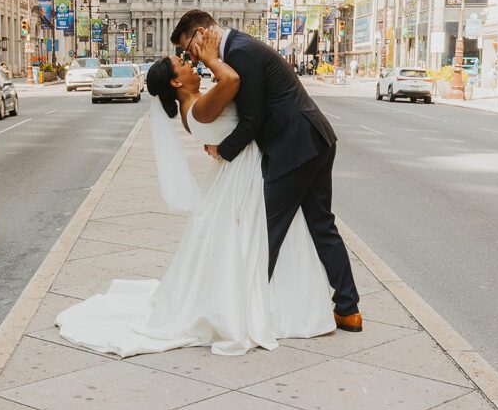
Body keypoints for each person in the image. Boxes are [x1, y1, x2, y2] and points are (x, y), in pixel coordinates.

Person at [56, 27, 337, 357]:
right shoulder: (198, 107)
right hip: (240, 175)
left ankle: (274, 300)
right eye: (183, 63)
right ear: (176, 82)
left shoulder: (196, 104)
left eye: (188, 58)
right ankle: (260, 304)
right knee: (254, 242)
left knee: (259, 241)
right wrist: (209, 56)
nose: (190, 63)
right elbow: (232, 82)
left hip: (241, 172)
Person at [174, 11, 360, 327]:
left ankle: (246, 314)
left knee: (265, 231)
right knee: (321, 224)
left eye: (189, 48)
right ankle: (348, 308)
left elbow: (252, 121)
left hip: (294, 147)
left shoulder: (240, 52)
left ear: (203, 33)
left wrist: (223, 150)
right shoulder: (238, 50)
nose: (191, 57)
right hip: (313, 140)